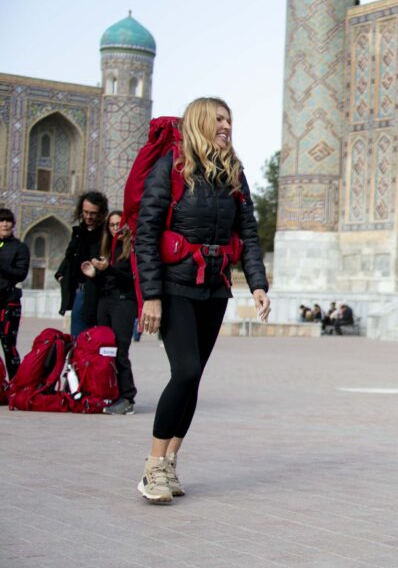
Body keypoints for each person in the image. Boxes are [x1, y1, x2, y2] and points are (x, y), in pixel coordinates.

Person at [134, 97, 270, 504]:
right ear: (198, 123)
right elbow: (146, 233)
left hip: (214, 287)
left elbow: (248, 234)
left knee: (194, 379)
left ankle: (170, 462)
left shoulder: (234, 174)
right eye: (218, 119)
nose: (226, 126)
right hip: (175, 286)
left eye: (229, 119)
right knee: (186, 371)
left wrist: (258, 284)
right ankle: (152, 467)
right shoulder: (172, 168)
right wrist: (151, 296)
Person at [85, 210, 138, 415]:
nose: (116, 228)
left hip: (123, 302)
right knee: (105, 350)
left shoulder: (134, 249)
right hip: (105, 302)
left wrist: (108, 269)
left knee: (120, 351)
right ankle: (108, 392)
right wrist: (94, 273)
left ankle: (127, 397)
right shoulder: (107, 249)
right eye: (112, 225)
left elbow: (132, 279)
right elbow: (104, 280)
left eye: (119, 224)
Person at [56, 191, 108, 337]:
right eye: (85, 212)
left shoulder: (106, 235)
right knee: (79, 339)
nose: (88, 216)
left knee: (99, 339)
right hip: (81, 291)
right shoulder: (79, 232)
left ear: (101, 213)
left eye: (93, 213)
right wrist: (60, 274)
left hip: (100, 292)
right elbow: (70, 256)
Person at [0, 208, 29, 379]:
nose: (4, 224)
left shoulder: (19, 248)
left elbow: (21, 274)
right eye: (1, 221)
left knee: (8, 345)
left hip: (8, 302)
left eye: (8, 221)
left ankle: (15, 384)